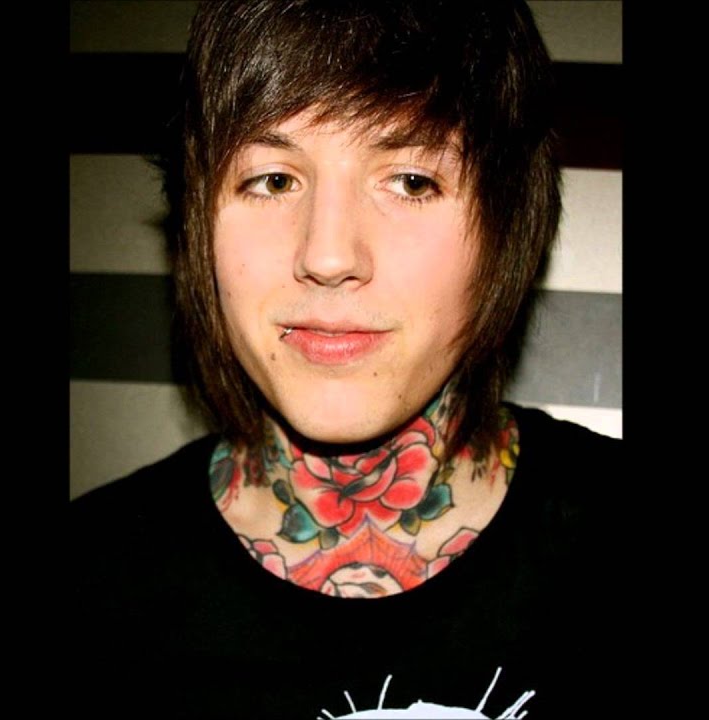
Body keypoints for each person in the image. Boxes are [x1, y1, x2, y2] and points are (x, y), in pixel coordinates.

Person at [71, 1, 625, 716]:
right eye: (273, 179)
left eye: (411, 180)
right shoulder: (89, 585)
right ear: (197, 224)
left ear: (507, 228)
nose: (328, 255)